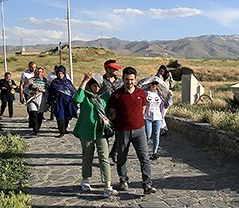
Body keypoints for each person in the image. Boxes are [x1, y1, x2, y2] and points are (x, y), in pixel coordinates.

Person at [107, 66, 156, 195]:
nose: (129, 82)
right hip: (122, 131)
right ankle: (123, 180)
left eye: (132, 80)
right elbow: (112, 112)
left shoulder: (141, 93)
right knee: (122, 158)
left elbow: (143, 109)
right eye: (127, 80)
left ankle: (147, 184)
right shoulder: (116, 95)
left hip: (139, 131)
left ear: (136, 79)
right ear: (123, 79)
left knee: (144, 158)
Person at [73, 72, 117, 197]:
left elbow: (110, 109)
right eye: (93, 86)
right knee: (87, 156)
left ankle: (107, 185)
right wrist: (84, 81)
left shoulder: (105, 96)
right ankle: (85, 179)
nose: (96, 89)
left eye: (98, 86)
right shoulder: (85, 96)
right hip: (86, 130)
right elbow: (76, 99)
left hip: (101, 131)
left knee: (104, 157)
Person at [142, 76, 171, 160]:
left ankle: (154, 152)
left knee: (156, 134)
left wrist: (169, 97)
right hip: (147, 116)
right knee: (148, 134)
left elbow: (165, 105)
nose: (154, 85)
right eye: (153, 83)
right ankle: (144, 150)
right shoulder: (145, 93)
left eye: (156, 84)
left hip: (157, 117)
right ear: (149, 84)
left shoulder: (160, 94)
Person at [47, 65, 78, 136]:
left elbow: (74, 91)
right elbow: (50, 93)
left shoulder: (68, 82)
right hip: (58, 103)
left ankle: (65, 128)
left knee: (66, 116)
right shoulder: (54, 82)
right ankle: (61, 131)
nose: (60, 75)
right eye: (59, 73)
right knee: (60, 116)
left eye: (61, 73)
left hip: (68, 102)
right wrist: (48, 102)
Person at [24, 66, 49, 135]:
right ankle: (35, 128)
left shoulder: (45, 81)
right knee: (33, 114)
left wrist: (44, 90)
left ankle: (37, 129)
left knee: (40, 115)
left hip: (42, 100)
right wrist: (32, 92)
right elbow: (25, 89)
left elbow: (49, 91)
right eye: (38, 72)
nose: (39, 73)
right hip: (32, 99)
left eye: (41, 72)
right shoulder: (31, 80)